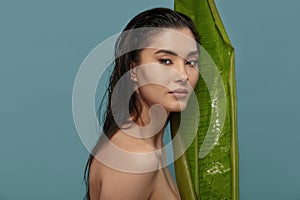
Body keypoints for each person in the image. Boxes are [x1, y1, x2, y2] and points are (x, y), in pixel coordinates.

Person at [84, 7, 200, 200]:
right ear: (134, 71)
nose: (183, 75)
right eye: (166, 61)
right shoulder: (135, 159)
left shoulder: (148, 146)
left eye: (191, 62)